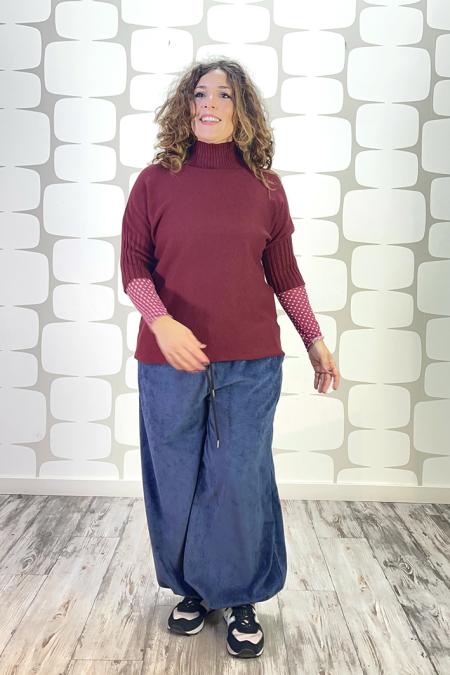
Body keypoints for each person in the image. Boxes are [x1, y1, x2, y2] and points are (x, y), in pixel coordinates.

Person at [120, 57, 340, 659]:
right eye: (200, 93)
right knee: (175, 477)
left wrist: (314, 338)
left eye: (223, 94)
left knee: (239, 478)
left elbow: (285, 274)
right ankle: (194, 589)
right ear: (185, 105)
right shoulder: (154, 182)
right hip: (169, 359)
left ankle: (240, 594)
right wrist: (162, 322)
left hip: (250, 361)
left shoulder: (266, 187)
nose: (209, 103)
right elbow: (134, 267)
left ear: (242, 110)